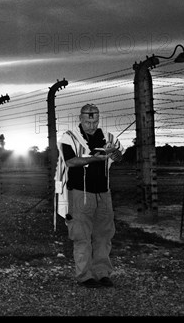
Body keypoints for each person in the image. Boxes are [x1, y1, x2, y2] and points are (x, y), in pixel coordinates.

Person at [54, 104, 124, 288]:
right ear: (80, 119)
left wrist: (112, 152)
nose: (91, 125)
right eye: (87, 121)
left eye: (94, 121)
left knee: (104, 235)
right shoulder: (69, 137)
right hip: (79, 193)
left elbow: (119, 157)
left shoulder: (108, 137)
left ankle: (102, 273)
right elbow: (70, 161)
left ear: (98, 119)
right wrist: (94, 158)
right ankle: (85, 276)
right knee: (81, 236)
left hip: (103, 193)